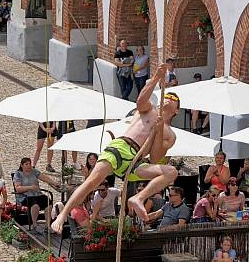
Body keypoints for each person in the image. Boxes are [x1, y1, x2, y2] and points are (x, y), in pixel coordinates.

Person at [51, 63, 179, 234]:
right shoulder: (151, 110)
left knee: (171, 172)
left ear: (177, 110)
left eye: (173, 99)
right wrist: (155, 78)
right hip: (123, 146)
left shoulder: (170, 134)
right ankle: (63, 214)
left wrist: (160, 129)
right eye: (168, 95)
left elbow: (155, 157)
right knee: (92, 182)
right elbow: (140, 101)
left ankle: (138, 198)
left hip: (137, 159)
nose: (169, 98)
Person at [14, 157, 60, 233]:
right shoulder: (18, 174)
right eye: (26, 164)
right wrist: (30, 187)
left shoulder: (33, 171)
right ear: (21, 165)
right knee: (35, 205)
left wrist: (54, 183)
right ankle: (34, 225)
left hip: (37, 194)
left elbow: (44, 177)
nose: (29, 166)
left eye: (30, 164)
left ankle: (47, 226)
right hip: (25, 196)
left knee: (48, 203)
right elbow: (18, 188)